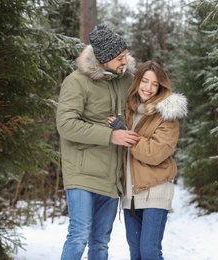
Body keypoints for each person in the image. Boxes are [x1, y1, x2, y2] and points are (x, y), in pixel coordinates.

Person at [56, 25, 140, 260]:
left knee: (101, 243)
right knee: (79, 235)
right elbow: (65, 125)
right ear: (103, 58)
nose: (125, 61)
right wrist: (110, 135)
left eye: (125, 55)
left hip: (111, 176)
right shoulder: (77, 82)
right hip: (81, 173)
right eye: (119, 57)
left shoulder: (127, 80)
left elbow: (146, 103)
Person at [108, 61, 188, 260]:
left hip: (155, 191)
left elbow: (155, 152)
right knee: (135, 254)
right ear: (137, 82)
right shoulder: (128, 111)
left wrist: (125, 134)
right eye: (145, 81)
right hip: (130, 195)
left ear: (161, 87)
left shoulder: (166, 115)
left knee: (150, 253)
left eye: (155, 84)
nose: (148, 88)